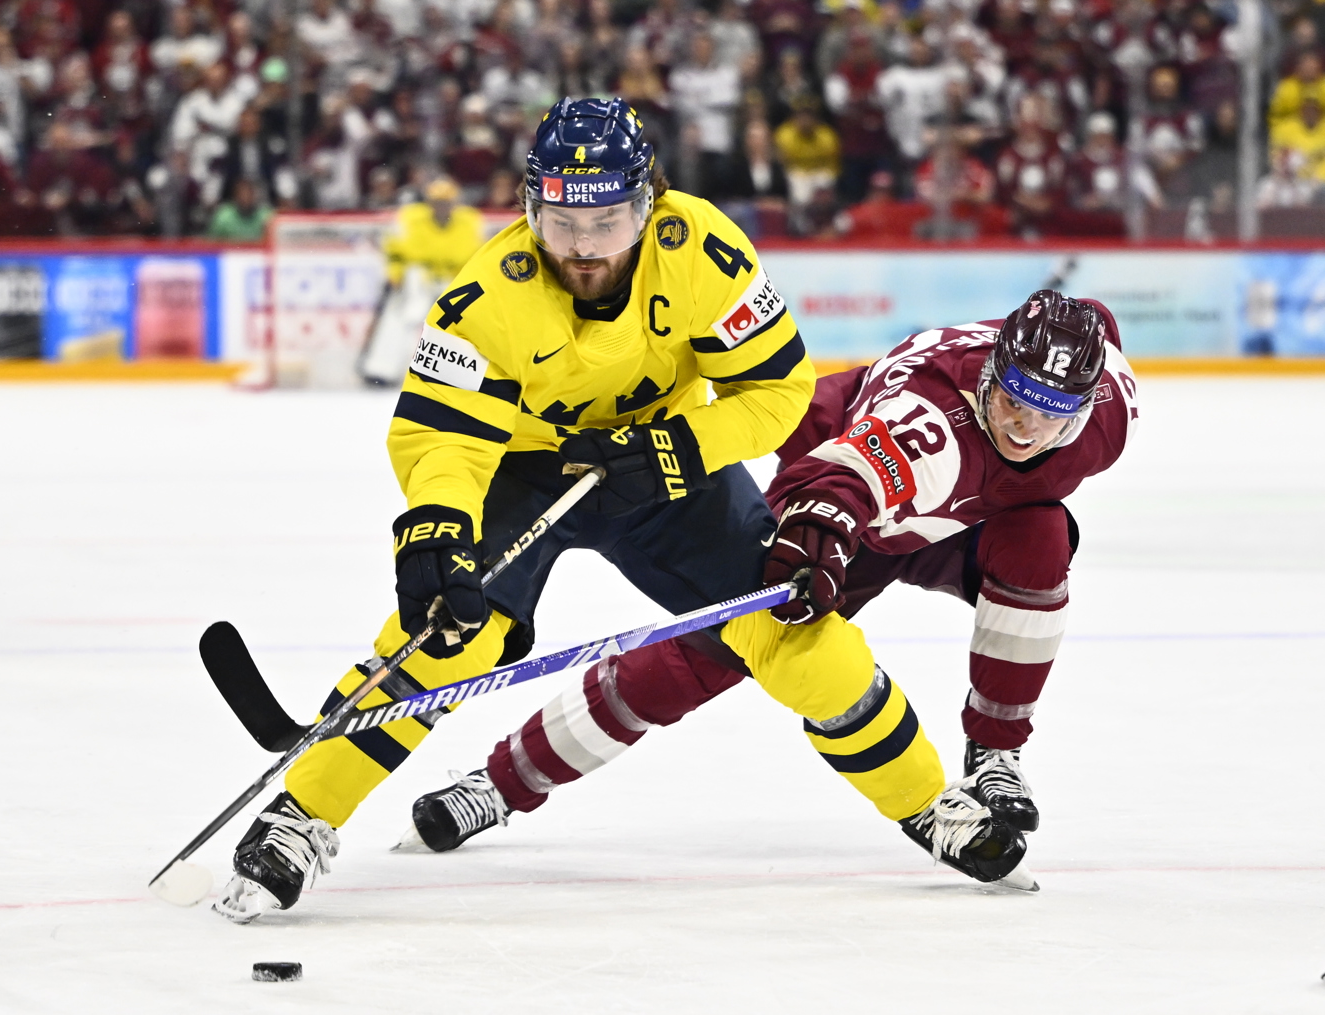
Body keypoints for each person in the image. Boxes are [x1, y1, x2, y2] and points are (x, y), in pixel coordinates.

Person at [213, 98, 1025, 924]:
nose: (585, 246)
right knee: (445, 635)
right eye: (563, 220)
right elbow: (443, 438)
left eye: (609, 218)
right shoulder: (486, 295)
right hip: (524, 473)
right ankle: (299, 813)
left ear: (650, 202)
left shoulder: (704, 252)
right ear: (531, 206)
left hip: (666, 468)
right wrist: (437, 529)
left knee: (791, 629)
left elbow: (778, 391)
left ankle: (929, 801)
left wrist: (677, 449)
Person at [404, 289, 1138, 870]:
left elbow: (1097, 324)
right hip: (848, 507)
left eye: (1051, 413)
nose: (1023, 428)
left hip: (951, 522)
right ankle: (500, 783)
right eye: (1012, 398)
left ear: (1089, 400)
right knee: (704, 656)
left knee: (1040, 539)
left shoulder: (1112, 414)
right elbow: (841, 478)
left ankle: (996, 757)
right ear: (990, 373)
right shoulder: (930, 420)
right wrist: (815, 533)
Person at [358, 176, 485, 385]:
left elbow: (479, 255)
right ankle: (382, 370)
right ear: (429, 202)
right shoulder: (411, 218)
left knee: (460, 326)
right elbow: (394, 251)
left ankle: (458, 375)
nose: (441, 207)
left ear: (454, 203)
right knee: (402, 317)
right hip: (418, 276)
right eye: (437, 202)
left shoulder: (470, 221)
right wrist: (395, 273)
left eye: (446, 203)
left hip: (454, 278)